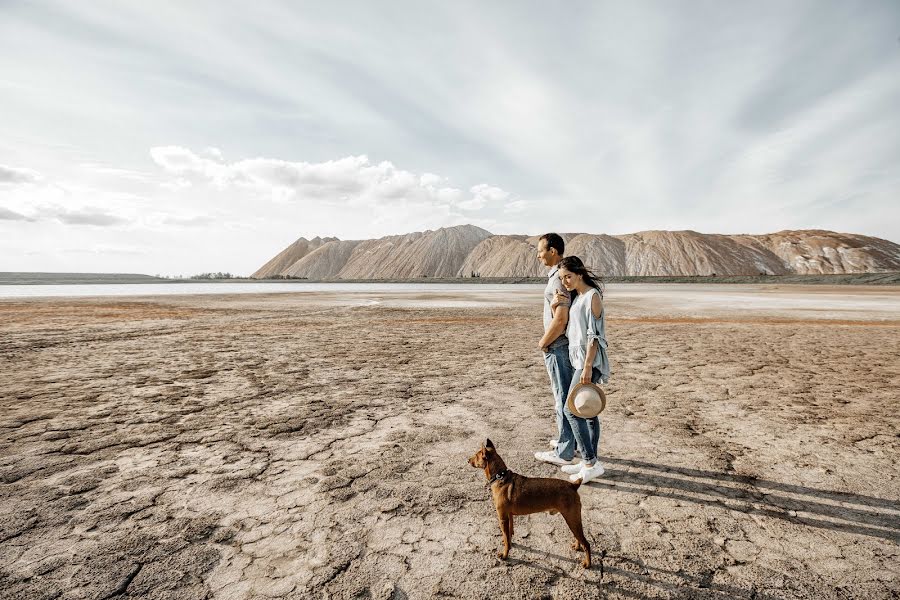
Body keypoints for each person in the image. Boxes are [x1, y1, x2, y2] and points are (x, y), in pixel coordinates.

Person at [552, 255, 609, 483]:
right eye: (562, 278)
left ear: (580, 273)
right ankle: (590, 462)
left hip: (589, 360)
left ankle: (590, 462)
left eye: (568, 276)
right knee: (589, 413)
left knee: (571, 409)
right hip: (580, 360)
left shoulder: (592, 297)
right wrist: (557, 303)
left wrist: (586, 367)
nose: (565, 281)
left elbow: (594, 337)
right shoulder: (578, 296)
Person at [533, 233, 579, 467]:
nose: (538, 254)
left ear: (553, 251)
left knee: (562, 398)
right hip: (560, 345)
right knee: (565, 396)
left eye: (540, 250)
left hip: (557, 345)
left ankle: (564, 451)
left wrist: (543, 342)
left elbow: (561, 319)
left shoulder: (557, 280)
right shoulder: (558, 277)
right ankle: (571, 442)